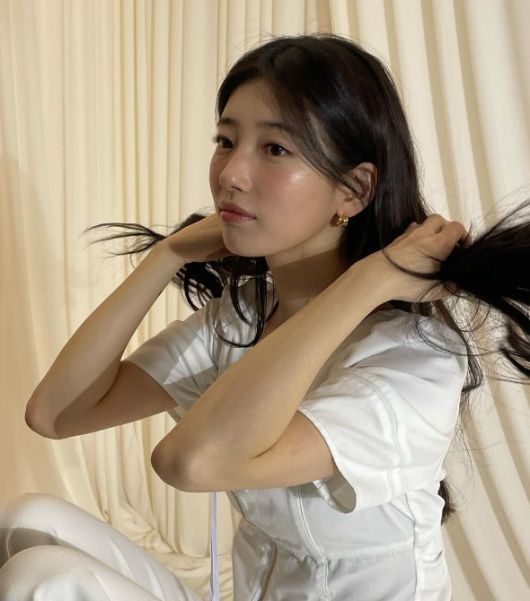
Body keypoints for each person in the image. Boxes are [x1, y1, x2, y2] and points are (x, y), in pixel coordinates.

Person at [2, 33, 529, 601]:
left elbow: (192, 463)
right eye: (226, 141)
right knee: (29, 519)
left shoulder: (414, 356)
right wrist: (168, 255)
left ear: (353, 190)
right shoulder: (245, 316)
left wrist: (369, 281)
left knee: (42, 579)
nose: (231, 173)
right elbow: (54, 414)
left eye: (275, 149)